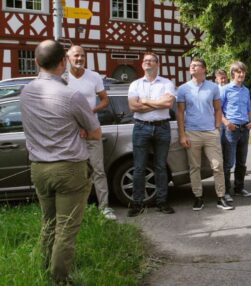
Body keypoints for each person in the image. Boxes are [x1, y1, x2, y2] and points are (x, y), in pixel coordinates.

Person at [21, 40, 102, 284]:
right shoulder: (71, 94)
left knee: (49, 222)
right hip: (69, 167)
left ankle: (44, 268)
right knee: (66, 228)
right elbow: (96, 132)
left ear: (36, 62)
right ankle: (59, 279)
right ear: (63, 62)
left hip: (39, 167)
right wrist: (81, 130)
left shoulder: (25, 92)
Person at [65, 45, 115, 220]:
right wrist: (78, 125)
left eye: (82, 56)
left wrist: (90, 112)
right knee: (74, 173)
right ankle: (77, 210)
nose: (79, 59)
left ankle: (105, 208)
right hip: (71, 133)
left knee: (98, 171)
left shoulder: (93, 76)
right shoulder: (63, 78)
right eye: (76, 56)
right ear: (68, 58)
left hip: (93, 129)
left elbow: (105, 100)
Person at [177, 58, 234, 211]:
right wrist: (182, 134)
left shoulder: (213, 88)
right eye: (191, 66)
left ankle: (221, 197)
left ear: (204, 69)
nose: (192, 67)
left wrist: (217, 128)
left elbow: (217, 109)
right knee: (194, 167)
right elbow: (180, 113)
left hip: (210, 132)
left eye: (195, 65)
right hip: (192, 132)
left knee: (217, 166)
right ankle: (198, 197)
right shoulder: (183, 89)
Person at [127, 52, 177, 216]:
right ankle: (137, 203)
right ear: (142, 65)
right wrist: (158, 104)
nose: (147, 63)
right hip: (141, 127)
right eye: (145, 61)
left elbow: (168, 103)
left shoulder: (167, 83)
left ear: (157, 64)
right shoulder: (135, 84)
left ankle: (162, 202)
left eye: (151, 60)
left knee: (161, 166)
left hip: (162, 127)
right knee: (139, 167)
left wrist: (145, 101)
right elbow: (133, 107)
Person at [220, 61, 251, 202]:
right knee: (228, 162)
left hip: (244, 128)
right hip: (231, 129)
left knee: (242, 161)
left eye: (243, 72)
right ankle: (226, 191)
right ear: (233, 73)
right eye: (238, 72)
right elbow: (218, 110)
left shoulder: (246, 90)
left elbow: (248, 109)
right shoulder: (225, 89)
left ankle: (239, 188)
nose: (241, 74)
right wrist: (227, 122)